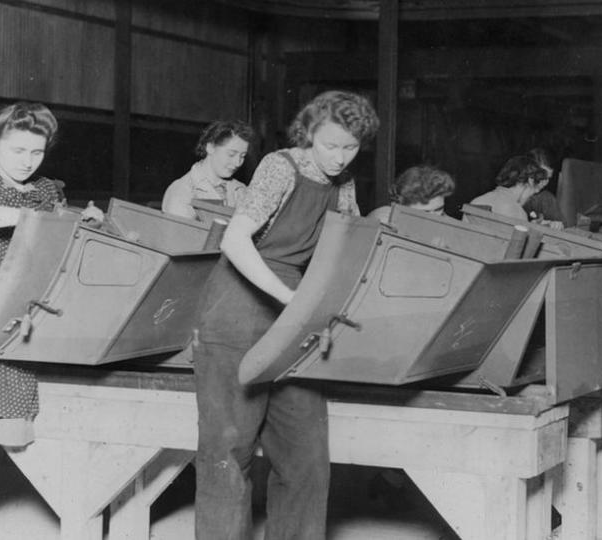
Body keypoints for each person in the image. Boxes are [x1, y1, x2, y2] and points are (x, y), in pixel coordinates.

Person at [192, 90, 378, 540]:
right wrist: (291, 300)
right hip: (238, 308)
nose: (338, 157)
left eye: (350, 147)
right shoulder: (281, 165)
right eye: (330, 145)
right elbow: (235, 241)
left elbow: (345, 252)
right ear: (309, 133)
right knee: (228, 452)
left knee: (306, 456)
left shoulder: (345, 182)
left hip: (297, 310)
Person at [0, 102, 65, 540]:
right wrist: (37, 220)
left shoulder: (47, 190)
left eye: (36, 153)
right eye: (18, 149)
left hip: (16, 321)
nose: (27, 161)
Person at [162, 120, 254, 219]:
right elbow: (179, 233)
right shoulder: (182, 191)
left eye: (243, 156)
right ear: (210, 147)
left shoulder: (241, 190)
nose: (237, 162)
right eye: (231, 154)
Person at [471, 154, 548, 222]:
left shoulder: (477, 201)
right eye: (534, 190)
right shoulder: (518, 214)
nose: (535, 192)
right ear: (530, 181)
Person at [368, 164, 455, 223]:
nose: (435, 219)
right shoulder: (383, 220)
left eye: (439, 209)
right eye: (425, 212)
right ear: (400, 207)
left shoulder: (448, 224)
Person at [522, 147, 565, 228]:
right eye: (541, 176)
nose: (545, 182)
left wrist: (555, 225)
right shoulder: (513, 193)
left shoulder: (547, 199)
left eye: (548, 178)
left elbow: (561, 227)